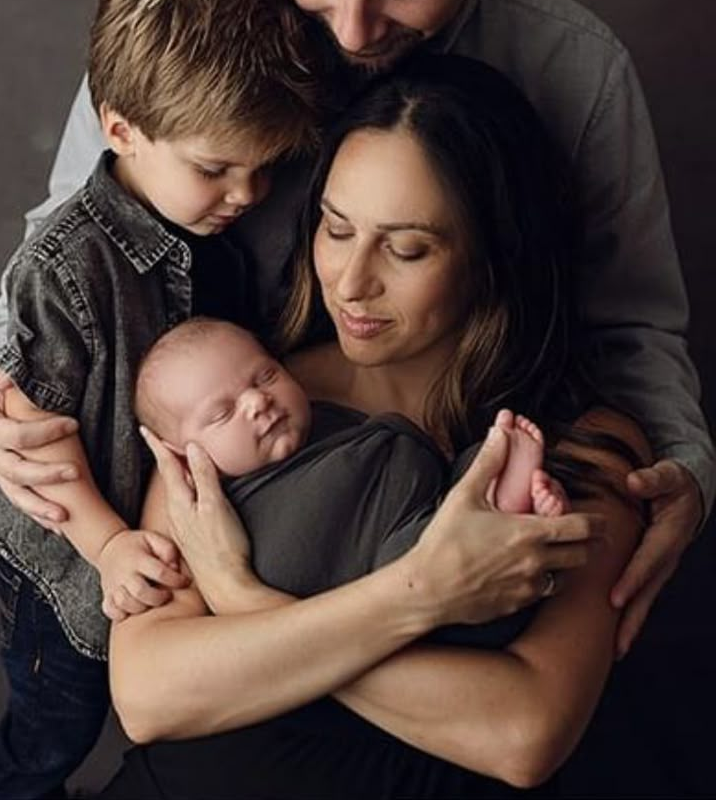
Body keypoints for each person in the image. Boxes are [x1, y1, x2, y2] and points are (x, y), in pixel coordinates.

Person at [0, 0, 711, 669]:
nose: (354, 26)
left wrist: (686, 466)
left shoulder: (577, 71)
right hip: (199, 505)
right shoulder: (185, 43)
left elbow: (631, 326)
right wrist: (1, 387)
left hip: (432, 486)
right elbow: (69, 242)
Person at [98, 53, 647, 800]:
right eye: (336, 227)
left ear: (492, 254)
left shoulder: (584, 449)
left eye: (407, 247)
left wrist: (243, 598)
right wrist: (419, 597)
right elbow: (151, 690)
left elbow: (523, 732)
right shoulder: (241, 393)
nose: (350, 282)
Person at [0, 0, 322, 800]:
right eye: (216, 168)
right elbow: (35, 442)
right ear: (121, 128)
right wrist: (108, 544)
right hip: (73, 555)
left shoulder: (214, 227)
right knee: (54, 731)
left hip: (164, 545)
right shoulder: (66, 271)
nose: (246, 194)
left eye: (263, 168)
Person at [134, 315, 568, 643]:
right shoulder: (205, 503)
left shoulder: (320, 419)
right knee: (416, 551)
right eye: (222, 413)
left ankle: (500, 495)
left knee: (479, 463)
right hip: (363, 566)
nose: (257, 401)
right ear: (182, 458)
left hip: (417, 503)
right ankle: (502, 510)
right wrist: (117, 557)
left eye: (266, 376)